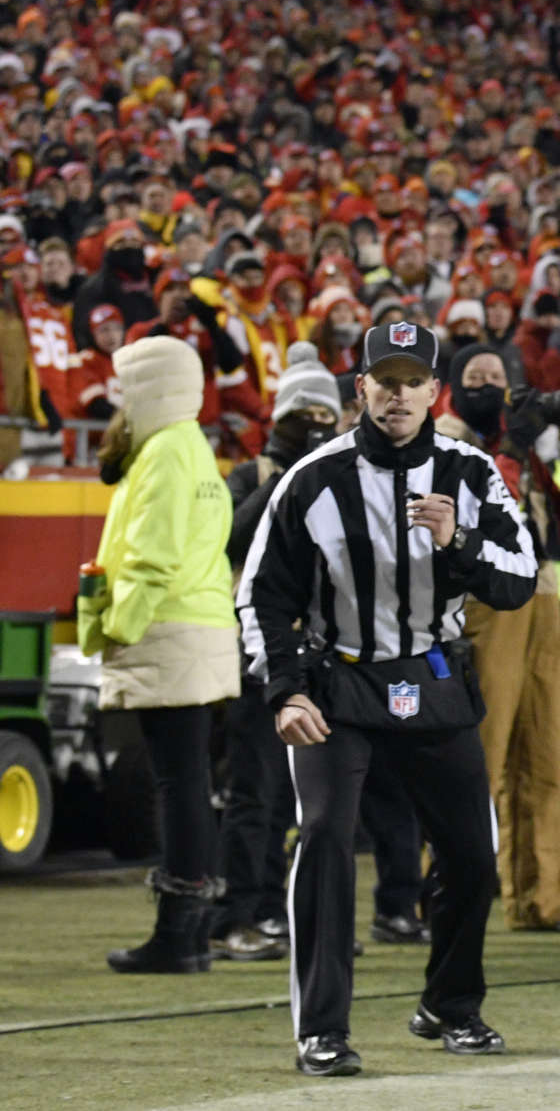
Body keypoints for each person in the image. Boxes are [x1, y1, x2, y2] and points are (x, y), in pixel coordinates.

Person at [237, 322, 538, 1077]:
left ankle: (451, 1005)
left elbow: (519, 576)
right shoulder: (311, 478)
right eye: (385, 379)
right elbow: (260, 596)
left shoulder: (471, 472)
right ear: (359, 387)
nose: (398, 394)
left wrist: (459, 543)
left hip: (434, 677)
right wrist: (284, 692)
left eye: (412, 381)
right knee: (328, 842)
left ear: (435, 391)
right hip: (338, 684)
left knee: (474, 856)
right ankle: (322, 1030)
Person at [86, 336, 239, 973]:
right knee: (188, 782)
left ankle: (180, 935)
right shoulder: (189, 448)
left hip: (168, 630)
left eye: (127, 387)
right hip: (195, 628)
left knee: (178, 783)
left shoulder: (165, 454)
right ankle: (190, 932)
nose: (121, 399)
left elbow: (152, 553)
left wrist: (116, 626)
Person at [437, 343, 560, 934]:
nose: (486, 386)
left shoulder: (517, 444)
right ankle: (451, 892)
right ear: (452, 388)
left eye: (496, 378)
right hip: (482, 599)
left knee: (543, 754)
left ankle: (542, 896)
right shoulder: (445, 442)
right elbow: (480, 507)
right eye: (473, 378)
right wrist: (513, 446)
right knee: (481, 754)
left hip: (542, 592)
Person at [214, 343, 345, 962]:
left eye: (328, 416)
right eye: (306, 415)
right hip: (257, 649)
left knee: (299, 795)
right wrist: (285, 482)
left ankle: (274, 906)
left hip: (315, 650)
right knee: (253, 789)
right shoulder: (251, 476)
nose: (318, 427)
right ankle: (236, 911)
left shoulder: (334, 479)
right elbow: (229, 539)